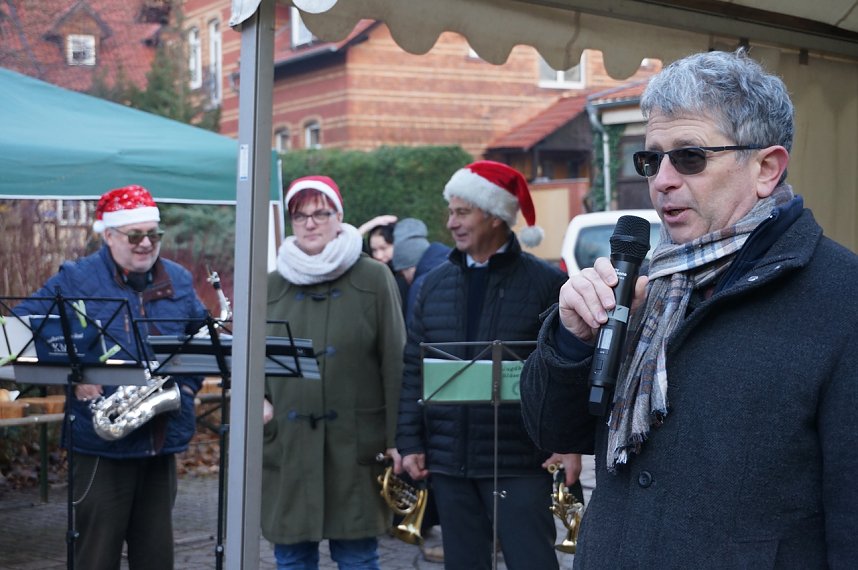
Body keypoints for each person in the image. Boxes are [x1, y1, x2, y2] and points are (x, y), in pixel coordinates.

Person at [520, 49, 858, 567]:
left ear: (766, 167)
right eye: (652, 159)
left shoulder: (842, 296)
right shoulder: (647, 282)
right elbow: (553, 432)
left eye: (691, 157)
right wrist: (570, 339)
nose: (662, 180)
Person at [14, 185, 208, 570]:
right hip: (101, 443)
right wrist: (73, 375)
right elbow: (20, 331)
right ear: (109, 235)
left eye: (153, 234)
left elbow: (204, 341)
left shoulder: (179, 279)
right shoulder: (76, 278)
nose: (146, 244)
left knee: (155, 557)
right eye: (135, 235)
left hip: (160, 437)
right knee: (96, 557)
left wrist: (186, 386)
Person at [396, 160, 578, 570]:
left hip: (520, 461)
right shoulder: (430, 286)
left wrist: (566, 443)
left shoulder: (546, 283)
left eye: (462, 212)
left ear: (495, 216)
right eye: (450, 212)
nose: (451, 223)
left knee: (532, 561)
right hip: (449, 460)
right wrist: (409, 442)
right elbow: (413, 368)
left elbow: (564, 369)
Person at [262, 175, 406, 570]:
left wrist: (399, 439)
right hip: (287, 444)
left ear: (338, 217)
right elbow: (252, 361)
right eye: (300, 215)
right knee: (291, 556)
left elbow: (395, 361)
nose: (310, 223)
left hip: (354, 442)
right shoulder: (270, 286)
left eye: (320, 213)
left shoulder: (373, 278)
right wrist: (258, 399)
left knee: (357, 557)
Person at [391, 217, 451, 322]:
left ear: (408, 265)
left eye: (402, 272)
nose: (405, 280)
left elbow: (413, 330)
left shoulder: (420, 285)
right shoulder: (455, 266)